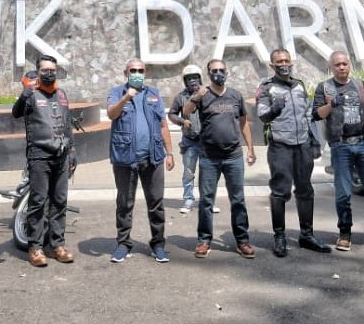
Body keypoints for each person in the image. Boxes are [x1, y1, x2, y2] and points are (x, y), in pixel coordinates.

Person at [311, 50, 364, 253]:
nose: (341, 67)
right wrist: (331, 104)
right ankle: (344, 234)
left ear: (349, 65)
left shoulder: (359, 85)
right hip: (340, 146)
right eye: (337, 65)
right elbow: (316, 114)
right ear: (331, 67)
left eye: (344, 64)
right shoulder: (325, 87)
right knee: (343, 194)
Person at [257, 48, 330, 257]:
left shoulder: (299, 84)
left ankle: (307, 235)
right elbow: (262, 116)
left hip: (303, 146)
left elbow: (308, 115)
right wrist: (274, 109)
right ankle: (279, 237)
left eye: (287, 60)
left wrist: (314, 141)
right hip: (280, 146)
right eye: (279, 61)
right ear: (272, 65)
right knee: (280, 192)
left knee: (306, 190)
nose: (284, 64)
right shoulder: (266, 88)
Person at [183, 58, 256, 258]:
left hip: (233, 156)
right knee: (206, 200)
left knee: (238, 200)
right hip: (209, 157)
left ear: (227, 72)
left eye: (221, 70)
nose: (218, 73)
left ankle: (242, 240)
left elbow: (243, 123)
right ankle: (204, 240)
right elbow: (186, 112)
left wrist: (250, 148)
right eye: (214, 70)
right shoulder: (203, 94)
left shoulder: (235, 95)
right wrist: (197, 96)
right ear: (208, 73)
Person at [106, 58, 174, 263]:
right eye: (133, 70)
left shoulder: (153, 94)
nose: (137, 73)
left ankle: (158, 244)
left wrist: (169, 152)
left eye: (140, 70)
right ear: (125, 72)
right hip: (125, 159)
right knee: (125, 203)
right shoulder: (117, 92)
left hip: (153, 157)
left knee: (156, 203)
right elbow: (111, 114)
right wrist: (126, 97)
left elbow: (163, 124)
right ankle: (123, 244)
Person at [12, 54, 75, 267]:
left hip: (61, 156)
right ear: (37, 72)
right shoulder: (31, 94)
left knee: (59, 201)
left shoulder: (62, 94)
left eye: (52, 70)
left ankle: (57, 245)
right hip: (39, 156)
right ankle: (35, 248)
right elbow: (16, 113)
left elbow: (67, 124)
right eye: (45, 70)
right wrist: (24, 95)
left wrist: (72, 151)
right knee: (37, 203)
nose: (49, 74)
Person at [168, 65, 205, 215]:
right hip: (190, 141)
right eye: (189, 79)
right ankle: (188, 199)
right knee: (189, 172)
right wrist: (182, 122)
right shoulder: (180, 97)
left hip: (206, 141)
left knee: (208, 172)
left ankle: (208, 201)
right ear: (185, 81)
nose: (192, 81)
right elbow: (171, 114)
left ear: (200, 79)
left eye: (195, 78)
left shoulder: (207, 93)